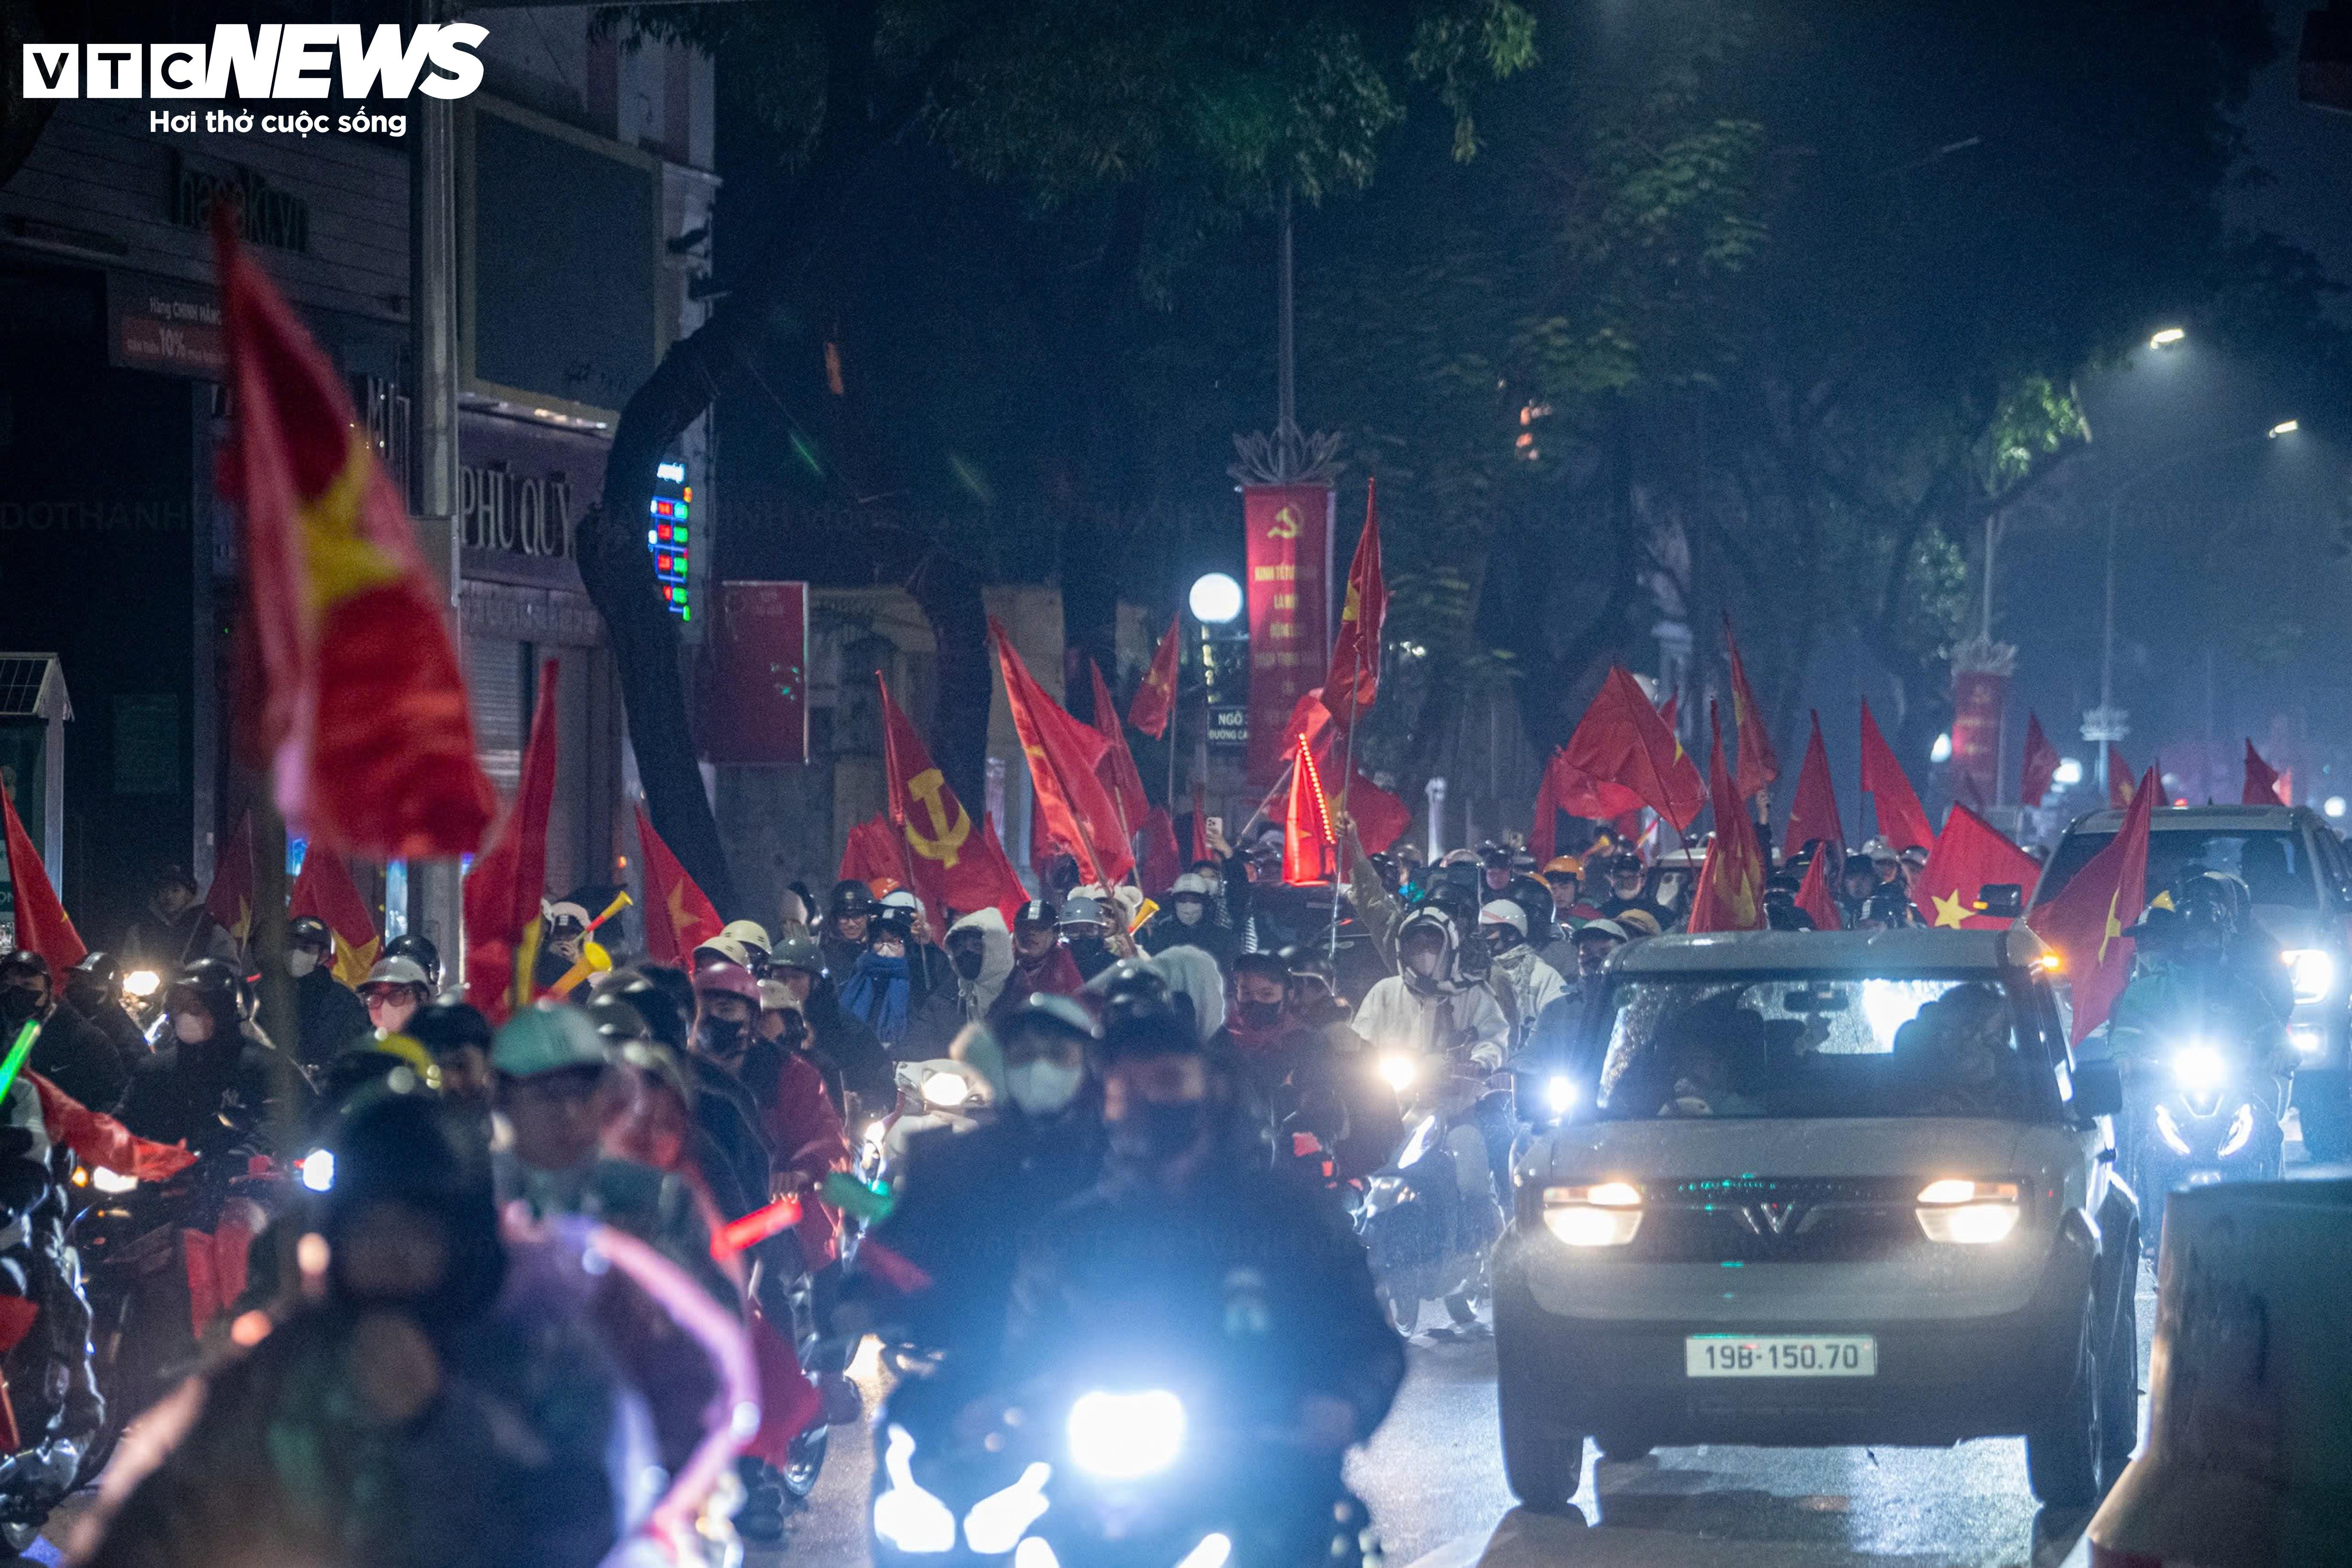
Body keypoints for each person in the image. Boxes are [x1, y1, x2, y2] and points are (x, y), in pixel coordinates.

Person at [79, 1088, 645, 1568]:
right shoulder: (293, 1355)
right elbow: (175, 1499)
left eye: (417, 1231)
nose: (391, 1252)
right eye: (371, 1228)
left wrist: (440, 1419)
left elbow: (581, 1524)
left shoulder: (538, 1354)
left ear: (464, 1242)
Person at [996, 984, 1404, 1563]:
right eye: (1124, 1086)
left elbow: (1371, 1344)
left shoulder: (1289, 1215)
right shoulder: (1072, 1234)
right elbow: (1024, 1348)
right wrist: (1013, 1408)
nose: (1145, 1099)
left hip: (1267, 1475)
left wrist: (1345, 1405)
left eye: (1165, 1080)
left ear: (1212, 1087)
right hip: (1105, 1494)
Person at [848, 999, 1104, 1369]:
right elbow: (901, 1243)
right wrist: (870, 1296)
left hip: (1096, 1356)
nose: (1040, 1067)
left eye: (1058, 1054)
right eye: (1024, 1055)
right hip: (981, 1360)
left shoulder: (1122, 1151)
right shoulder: (953, 1158)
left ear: (1090, 1063)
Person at [119, 959, 305, 1159]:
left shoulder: (265, 1067)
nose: (184, 1015)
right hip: (164, 1172)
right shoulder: (155, 1070)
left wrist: (246, 1154)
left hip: (238, 1175)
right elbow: (124, 1122)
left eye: (195, 1007)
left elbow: (284, 1121)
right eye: (177, 1007)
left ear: (222, 1010)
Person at [1353, 909, 1508, 1069]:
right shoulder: (1385, 992)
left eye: (1433, 945)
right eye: (1417, 945)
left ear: (1449, 948)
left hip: (1456, 1083)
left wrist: (1479, 1063)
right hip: (1390, 1083)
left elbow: (1493, 1040)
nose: (1425, 952)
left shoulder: (1472, 993)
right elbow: (1361, 1039)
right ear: (1404, 950)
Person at [768, 936, 893, 1114]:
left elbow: (879, 1080)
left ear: (816, 982)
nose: (787, 986)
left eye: (796, 977)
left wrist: (861, 1100)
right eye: (779, 978)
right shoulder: (758, 1022)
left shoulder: (847, 1027)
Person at [0, 949, 132, 1111]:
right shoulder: (8, 1025)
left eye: (27, 985)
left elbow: (112, 1100)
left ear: (48, 989)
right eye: (6, 985)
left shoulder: (89, 1040)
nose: (15, 993)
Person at [903, 907, 1014, 1059]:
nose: (966, 954)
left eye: (977, 946)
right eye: (960, 948)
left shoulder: (1026, 999)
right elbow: (912, 1048)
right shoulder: (944, 1001)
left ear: (998, 947)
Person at [1478, 900, 1566, 1050]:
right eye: (1480, 931)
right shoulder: (1475, 972)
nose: (1482, 937)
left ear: (1512, 935)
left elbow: (1557, 1021)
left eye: (1489, 931)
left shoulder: (1541, 975)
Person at [285, 916, 370, 1067]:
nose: (295, 953)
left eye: (306, 948)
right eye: (290, 946)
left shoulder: (343, 1001)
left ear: (323, 956)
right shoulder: (268, 992)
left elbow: (353, 1054)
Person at [119, 865, 237, 971]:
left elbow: (229, 967)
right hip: (151, 989)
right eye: (163, 890)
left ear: (188, 894)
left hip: (197, 989)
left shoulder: (209, 929)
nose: (169, 896)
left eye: (176, 890)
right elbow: (126, 967)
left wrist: (193, 973)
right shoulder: (140, 931)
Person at [989, 901, 1086, 1023]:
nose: (1031, 932)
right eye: (1024, 926)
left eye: (1040, 928)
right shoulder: (998, 959)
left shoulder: (1065, 963)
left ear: (1055, 935)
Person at [839, 904, 917, 1055]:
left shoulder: (919, 983)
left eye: (895, 942)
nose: (885, 949)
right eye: (879, 942)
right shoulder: (855, 979)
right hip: (856, 1056)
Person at [63, 951, 152, 1076]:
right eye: (75, 977)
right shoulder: (66, 1018)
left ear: (114, 993)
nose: (80, 985)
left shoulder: (127, 1039)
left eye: (92, 981)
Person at [404, 999, 496, 1117]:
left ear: (487, 1062)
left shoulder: (505, 1124)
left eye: (460, 1065)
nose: (450, 1080)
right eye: (434, 1066)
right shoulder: (399, 1121)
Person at [1139, 873, 1239, 969]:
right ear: (1174, 904)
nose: (1188, 906)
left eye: (1195, 901)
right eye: (1182, 901)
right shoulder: (1161, 936)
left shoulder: (1223, 939)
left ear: (1205, 904)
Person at [357, 955, 434, 1042]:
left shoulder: (438, 1046)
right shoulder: (362, 1047)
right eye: (375, 998)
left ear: (421, 999)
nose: (384, 1007)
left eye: (396, 996)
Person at [1597, 851, 1672, 930]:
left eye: (1632, 878)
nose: (1625, 883)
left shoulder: (1662, 916)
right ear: (1613, 881)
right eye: (1620, 877)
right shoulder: (1600, 915)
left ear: (1643, 881)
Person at [1056, 893, 1121, 980]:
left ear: (1100, 931)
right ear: (1064, 932)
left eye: (1090, 930)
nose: (1083, 937)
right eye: (1075, 931)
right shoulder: (1054, 964)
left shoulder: (1115, 966)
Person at [819, 880, 877, 978]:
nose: (851, 924)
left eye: (857, 916)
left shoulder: (883, 950)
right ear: (835, 919)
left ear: (869, 917)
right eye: (844, 917)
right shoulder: (824, 955)